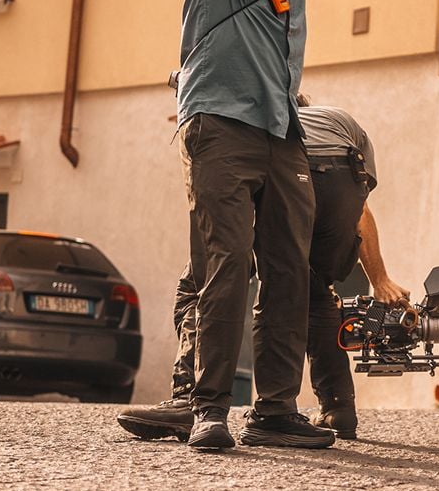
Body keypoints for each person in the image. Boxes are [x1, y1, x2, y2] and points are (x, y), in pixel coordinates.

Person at [157, 0, 428, 452]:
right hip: (218, 125)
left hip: (283, 132)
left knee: (290, 269)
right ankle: (209, 407)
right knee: (226, 266)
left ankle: (275, 409)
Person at [121, 100, 407, 443]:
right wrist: (380, 279)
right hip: (342, 181)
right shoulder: (338, 118)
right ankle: (336, 408)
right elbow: (360, 210)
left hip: (286, 171)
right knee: (312, 287)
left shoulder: (259, 123)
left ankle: (188, 399)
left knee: (205, 281)